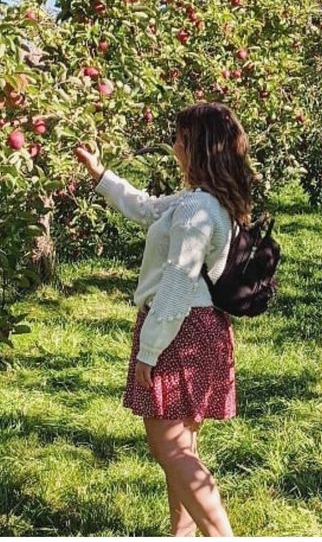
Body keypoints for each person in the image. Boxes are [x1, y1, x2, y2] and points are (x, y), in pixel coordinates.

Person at [74, 102, 256, 537]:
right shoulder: (202, 201)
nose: (173, 144)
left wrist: (150, 349)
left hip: (179, 329)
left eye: (179, 136)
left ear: (196, 145)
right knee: (183, 446)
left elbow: (177, 280)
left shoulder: (197, 209)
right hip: (199, 327)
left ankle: (220, 535)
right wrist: (100, 174)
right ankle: (183, 534)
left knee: (171, 449)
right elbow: (146, 208)